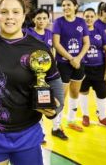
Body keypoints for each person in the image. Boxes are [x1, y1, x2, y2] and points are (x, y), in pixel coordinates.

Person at [0, 0, 62, 165]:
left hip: (27, 131)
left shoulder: (39, 47)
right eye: (4, 12)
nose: (9, 17)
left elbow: (54, 79)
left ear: (24, 16)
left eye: (15, 12)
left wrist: (56, 110)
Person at [52, 0, 90, 135]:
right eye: (63, 5)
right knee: (62, 96)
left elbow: (86, 43)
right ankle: (56, 126)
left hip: (79, 63)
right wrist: (71, 58)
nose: (66, 7)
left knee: (75, 93)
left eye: (69, 5)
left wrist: (78, 58)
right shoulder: (58, 22)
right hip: (63, 64)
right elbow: (56, 43)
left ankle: (71, 121)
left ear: (75, 6)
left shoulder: (81, 22)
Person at [25, 8, 64, 142]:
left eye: (44, 18)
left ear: (48, 20)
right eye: (39, 18)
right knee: (37, 103)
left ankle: (57, 127)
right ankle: (40, 133)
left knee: (51, 101)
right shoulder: (28, 33)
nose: (41, 21)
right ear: (34, 20)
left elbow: (52, 52)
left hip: (47, 74)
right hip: (31, 74)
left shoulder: (50, 33)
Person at [79, 8, 106, 129]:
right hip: (84, 68)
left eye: (91, 16)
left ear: (95, 18)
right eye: (86, 16)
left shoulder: (100, 31)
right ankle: (85, 115)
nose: (89, 18)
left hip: (99, 68)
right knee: (83, 92)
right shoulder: (79, 31)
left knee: (102, 93)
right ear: (83, 17)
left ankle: (103, 117)